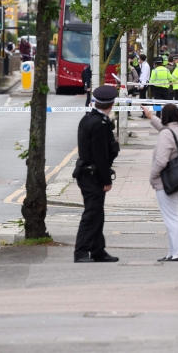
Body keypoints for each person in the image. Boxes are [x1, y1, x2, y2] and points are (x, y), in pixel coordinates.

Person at [73, 85, 120, 263]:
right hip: (92, 174)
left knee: (97, 213)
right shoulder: (99, 124)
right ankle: (81, 251)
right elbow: (100, 154)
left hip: (87, 172)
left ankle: (98, 250)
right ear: (112, 103)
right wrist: (106, 179)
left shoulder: (88, 119)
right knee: (92, 214)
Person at [140, 103, 178, 261]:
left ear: (165, 117)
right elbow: (166, 131)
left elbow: (161, 161)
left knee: (172, 218)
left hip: (166, 182)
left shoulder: (166, 134)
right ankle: (173, 253)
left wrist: (152, 176)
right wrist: (151, 117)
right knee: (174, 217)